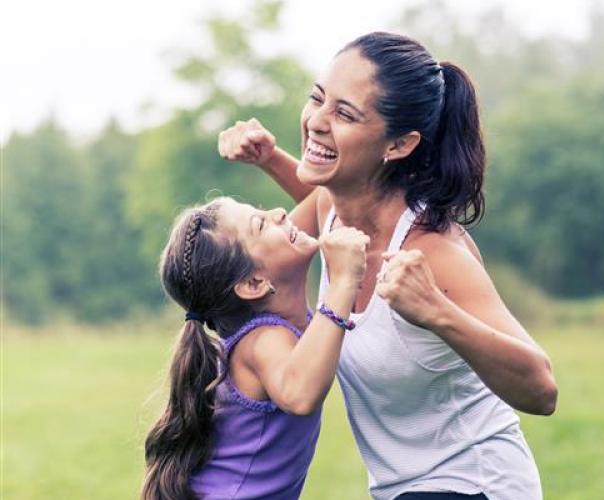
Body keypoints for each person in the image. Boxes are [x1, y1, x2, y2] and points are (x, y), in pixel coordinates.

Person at [217, 32, 558, 499]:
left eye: (345, 113)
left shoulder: (433, 253)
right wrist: (270, 158)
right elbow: (289, 239)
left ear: (398, 144)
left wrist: (436, 310)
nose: (316, 120)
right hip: (400, 488)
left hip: (474, 482)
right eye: (317, 98)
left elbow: (541, 389)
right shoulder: (332, 211)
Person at [142, 196, 370, 500]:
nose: (280, 212)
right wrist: (343, 282)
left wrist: (275, 160)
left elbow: (326, 195)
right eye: (260, 223)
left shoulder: (273, 311)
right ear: (253, 283)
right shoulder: (262, 340)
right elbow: (299, 395)